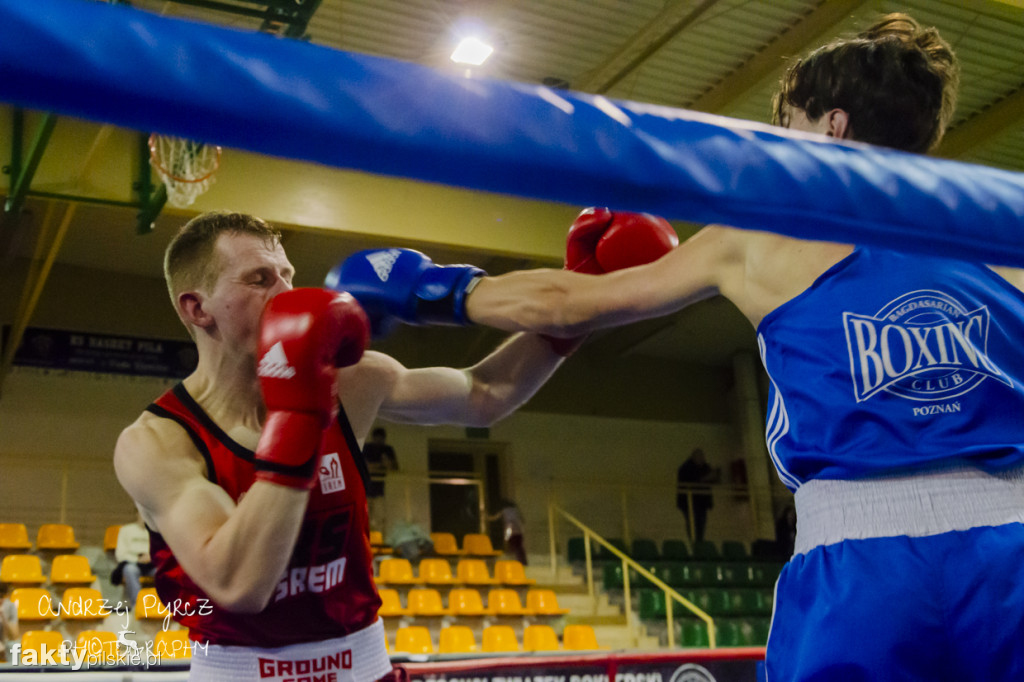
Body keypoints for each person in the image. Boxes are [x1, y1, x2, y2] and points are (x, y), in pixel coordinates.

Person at [333, 15, 1024, 681]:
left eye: (791, 125)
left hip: (866, 568)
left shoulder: (764, 238)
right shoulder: (1006, 237)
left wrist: (430, 289)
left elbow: (566, 306)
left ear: (832, 127)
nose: (782, 144)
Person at [113, 209, 673, 681]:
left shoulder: (350, 380)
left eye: (287, 274)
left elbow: (484, 394)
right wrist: (300, 414)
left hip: (366, 666)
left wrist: (583, 295)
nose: (287, 292)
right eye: (260, 280)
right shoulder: (157, 443)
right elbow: (239, 583)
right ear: (197, 308)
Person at [111, 511, 155, 610]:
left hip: (150, 566)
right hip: (133, 564)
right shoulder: (126, 530)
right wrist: (138, 559)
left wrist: (151, 557)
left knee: (163, 572)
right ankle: (138, 606)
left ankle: (165, 605)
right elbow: (120, 555)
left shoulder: (154, 532)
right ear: (137, 514)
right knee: (130, 570)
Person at [675, 449, 719, 543]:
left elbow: (714, 479)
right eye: (700, 457)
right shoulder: (686, 468)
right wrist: (706, 478)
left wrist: (714, 476)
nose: (703, 459)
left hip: (702, 503)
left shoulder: (705, 467)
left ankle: (699, 543)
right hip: (689, 503)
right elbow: (690, 482)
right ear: (694, 457)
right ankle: (695, 543)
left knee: (701, 525)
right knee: (693, 524)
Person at [361, 427, 398, 531]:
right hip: (366, 488)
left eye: (381, 439)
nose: (379, 441)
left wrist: (386, 464)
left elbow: (394, 467)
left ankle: (378, 540)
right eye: (377, 439)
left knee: (380, 518)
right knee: (365, 517)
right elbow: (366, 466)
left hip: (380, 489)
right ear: (373, 438)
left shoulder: (387, 449)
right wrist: (382, 464)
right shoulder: (367, 448)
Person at [487, 499, 526, 565]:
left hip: (512, 533)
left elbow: (508, 525)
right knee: (519, 548)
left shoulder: (505, 511)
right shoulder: (516, 510)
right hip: (519, 533)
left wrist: (506, 537)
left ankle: (517, 562)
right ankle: (522, 562)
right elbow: (521, 521)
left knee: (513, 549)